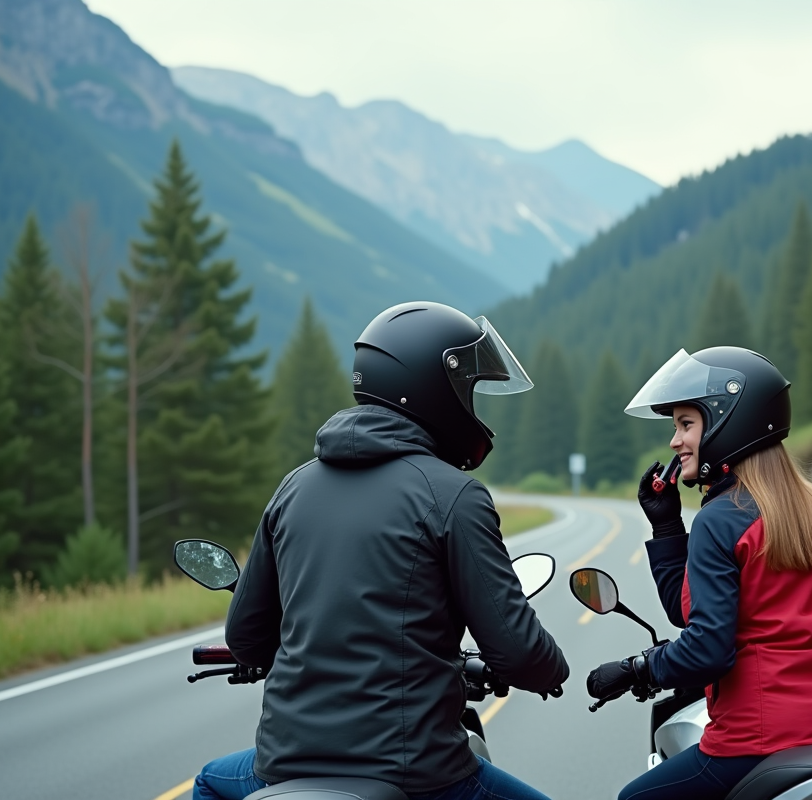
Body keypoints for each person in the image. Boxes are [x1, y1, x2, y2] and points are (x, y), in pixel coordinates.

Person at [193, 302, 569, 800]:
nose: (470, 406)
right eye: (467, 389)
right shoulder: (454, 495)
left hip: (283, 765)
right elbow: (518, 651)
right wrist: (551, 667)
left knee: (209, 784)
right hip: (420, 774)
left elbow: (245, 638)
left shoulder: (293, 488)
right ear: (435, 388)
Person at [586, 346, 812, 800]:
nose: (675, 441)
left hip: (758, 741)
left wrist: (638, 668)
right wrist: (666, 525)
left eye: (686, 424)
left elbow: (707, 649)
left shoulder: (720, 520)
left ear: (729, 424)